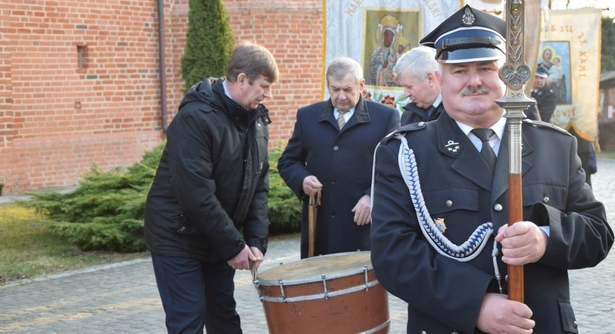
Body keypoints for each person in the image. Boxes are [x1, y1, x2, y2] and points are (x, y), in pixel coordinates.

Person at [371, 5, 614, 333]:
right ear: (439, 79)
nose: (474, 81)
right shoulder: (405, 152)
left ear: (509, 74)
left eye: (486, 68)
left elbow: (598, 233)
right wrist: (474, 305)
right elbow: (392, 255)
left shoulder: (554, 146)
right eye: (459, 71)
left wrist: (545, 239)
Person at [143, 42, 278, 333]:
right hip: (177, 238)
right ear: (242, 80)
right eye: (264, 86)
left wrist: (255, 241)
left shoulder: (256, 121)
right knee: (189, 319)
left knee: (224, 320)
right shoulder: (194, 119)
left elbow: (258, 186)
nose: (268, 95)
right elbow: (196, 193)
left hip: (216, 239)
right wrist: (233, 246)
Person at [278, 57, 399, 258]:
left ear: (361, 86)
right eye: (335, 89)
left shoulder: (386, 117)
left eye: (347, 89)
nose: (341, 96)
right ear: (328, 86)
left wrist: (372, 196)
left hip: (363, 229)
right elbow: (288, 161)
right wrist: (302, 179)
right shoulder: (307, 116)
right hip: (320, 229)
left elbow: (394, 168)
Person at [393, 46, 443, 125]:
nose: (406, 94)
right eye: (404, 87)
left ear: (430, 79)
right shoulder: (408, 116)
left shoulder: (457, 113)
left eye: (409, 87)